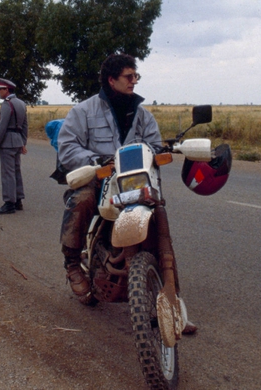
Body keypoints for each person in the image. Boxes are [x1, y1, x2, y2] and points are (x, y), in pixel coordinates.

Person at [56, 53, 197, 334]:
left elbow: (154, 144)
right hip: (99, 180)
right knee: (81, 200)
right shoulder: (83, 111)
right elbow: (68, 147)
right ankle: (73, 263)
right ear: (112, 80)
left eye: (136, 76)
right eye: (129, 77)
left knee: (158, 215)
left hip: (133, 180)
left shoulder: (142, 114)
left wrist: (163, 151)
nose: (134, 81)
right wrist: (96, 161)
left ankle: (173, 302)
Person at [0, 78, 28, 215]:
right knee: (16, 172)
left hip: (7, 142)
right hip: (18, 141)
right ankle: (18, 200)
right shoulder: (22, 104)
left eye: (0, 89)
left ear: (7, 90)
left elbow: (2, 126)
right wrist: (23, 142)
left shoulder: (7, 104)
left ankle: (9, 203)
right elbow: (25, 126)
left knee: (8, 173)